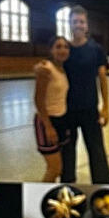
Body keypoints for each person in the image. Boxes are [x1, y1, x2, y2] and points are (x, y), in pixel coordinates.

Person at [59, 8, 109, 183]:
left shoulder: (96, 49)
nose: (78, 25)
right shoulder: (64, 50)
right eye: (75, 22)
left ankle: (103, 184)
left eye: (81, 21)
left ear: (87, 25)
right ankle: (67, 183)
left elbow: (102, 78)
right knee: (67, 152)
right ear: (70, 25)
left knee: (97, 151)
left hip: (90, 109)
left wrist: (106, 107)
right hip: (67, 111)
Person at [33, 34, 72, 177]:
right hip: (46, 121)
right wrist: (48, 127)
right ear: (51, 50)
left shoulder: (63, 69)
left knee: (59, 169)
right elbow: (38, 99)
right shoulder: (46, 69)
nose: (62, 50)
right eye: (58, 47)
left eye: (66, 47)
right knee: (53, 169)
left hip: (62, 120)